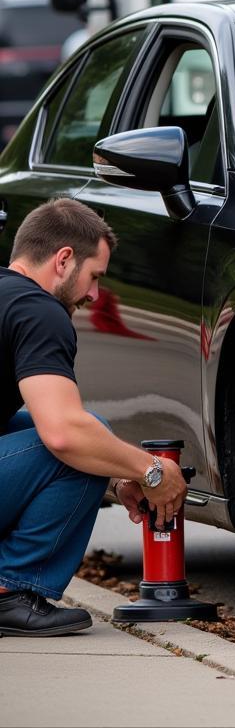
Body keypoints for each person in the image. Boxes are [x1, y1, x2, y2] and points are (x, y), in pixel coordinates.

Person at [0, 198, 187, 636]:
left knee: (71, 438)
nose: (93, 295)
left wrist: (113, 474)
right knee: (85, 436)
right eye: (94, 277)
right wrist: (153, 471)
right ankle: (9, 590)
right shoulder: (38, 309)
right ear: (64, 259)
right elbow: (66, 435)